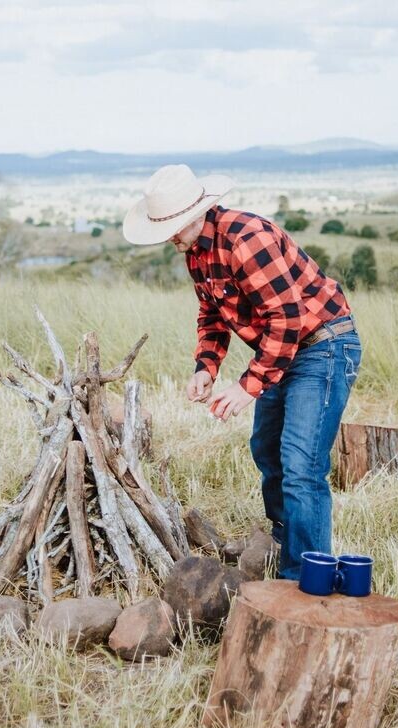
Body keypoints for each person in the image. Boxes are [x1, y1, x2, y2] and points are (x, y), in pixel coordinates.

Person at [122, 164, 362, 580]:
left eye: (175, 226)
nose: (170, 237)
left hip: (321, 345)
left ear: (199, 212)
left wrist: (248, 386)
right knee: (267, 451)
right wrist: (206, 367)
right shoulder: (196, 251)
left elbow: (287, 318)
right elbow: (212, 313)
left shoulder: (248, 239)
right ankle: (287, 543)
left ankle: (305, 578)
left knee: (301, 464)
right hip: (280, 350)